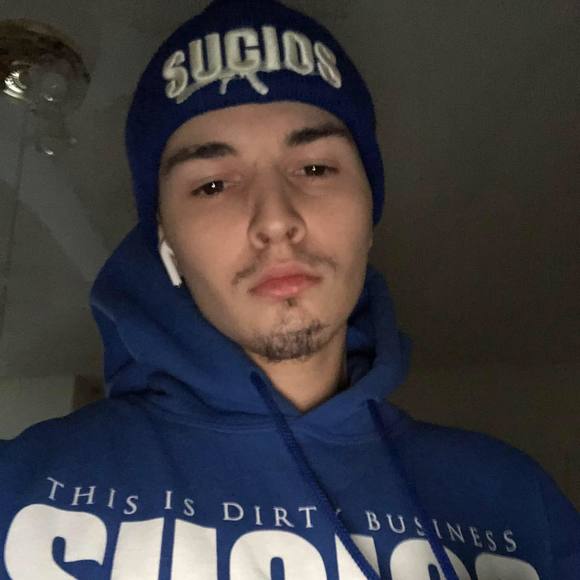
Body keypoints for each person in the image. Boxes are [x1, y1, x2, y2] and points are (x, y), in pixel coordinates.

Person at [1, 0, 578, 577]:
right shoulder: (20, 489)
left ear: (369, 213)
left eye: (315, 169)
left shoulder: (519, 511)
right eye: (212, 185)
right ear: (165, 241)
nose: (275, 220)